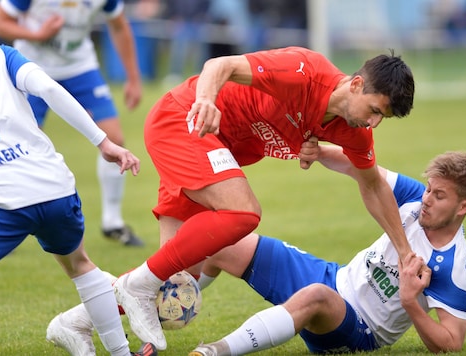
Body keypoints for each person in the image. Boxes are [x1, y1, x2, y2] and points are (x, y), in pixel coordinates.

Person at [111, 46, 417, 351]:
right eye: (375, 110)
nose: (373, 123)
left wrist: (404, 252)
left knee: (181, 276)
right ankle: (138, 284)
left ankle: (79, 320)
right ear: (356, 85)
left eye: (382, 118)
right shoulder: (303, 70)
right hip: (186, 119)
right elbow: (220, 64)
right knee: (243, 213)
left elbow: (374, 186)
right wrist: (205, 101)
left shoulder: (354, 132)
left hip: (215, 151)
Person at [0, 1, 150, 355]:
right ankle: (121, 351)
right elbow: (49, 89)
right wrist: (104, 142)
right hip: (54, 188)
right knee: (80, 265)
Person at [189, 149, 466, 355]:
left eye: (438, 195)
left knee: (316, 296)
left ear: (463, 207)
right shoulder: (415, 198)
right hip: (334, 278)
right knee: (220, 240)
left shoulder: (451, 263)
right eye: (428, 188)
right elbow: (360, 166)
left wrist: (409, 301)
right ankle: (172, 307)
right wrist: (318, 151)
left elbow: (452, 343)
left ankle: (213, 351)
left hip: (359, 329)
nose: (426, 198)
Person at [0, 0, 145, 246]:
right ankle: (7, 223)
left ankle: (112, 222)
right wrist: (37, 35)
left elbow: (118, 26)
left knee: (114, 137)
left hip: (80, 68)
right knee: (20, 147)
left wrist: (133, 78)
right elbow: (0, 24)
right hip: (31, 68)